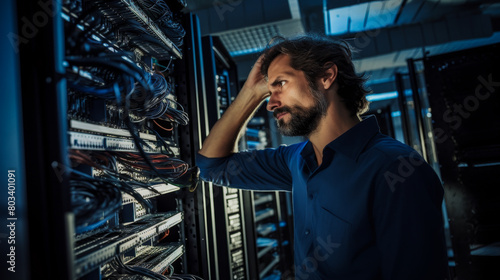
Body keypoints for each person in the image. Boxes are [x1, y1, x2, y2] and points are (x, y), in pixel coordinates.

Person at [196, 35, 449, 280]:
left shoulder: (395, 169)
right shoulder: (295, 160)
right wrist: (251, 93)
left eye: (281, 84)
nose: (270, 104)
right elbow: (212, 166)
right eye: (268, 91)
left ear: (326, 76)